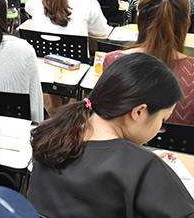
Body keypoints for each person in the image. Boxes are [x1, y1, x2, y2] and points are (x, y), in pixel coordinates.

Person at [28, 53, 194, 217]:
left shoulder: (52, 135)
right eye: (162, 119)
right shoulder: (144, 168)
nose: (159, 126)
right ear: (139, 111)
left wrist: (138, 159)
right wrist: (144, 164)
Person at [105, 0, 194, 125]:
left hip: (125, 138)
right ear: (186, 23)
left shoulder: (114, 60)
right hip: (182, 139)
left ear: (139, 20)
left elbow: (106, 116)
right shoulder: (191, 69)